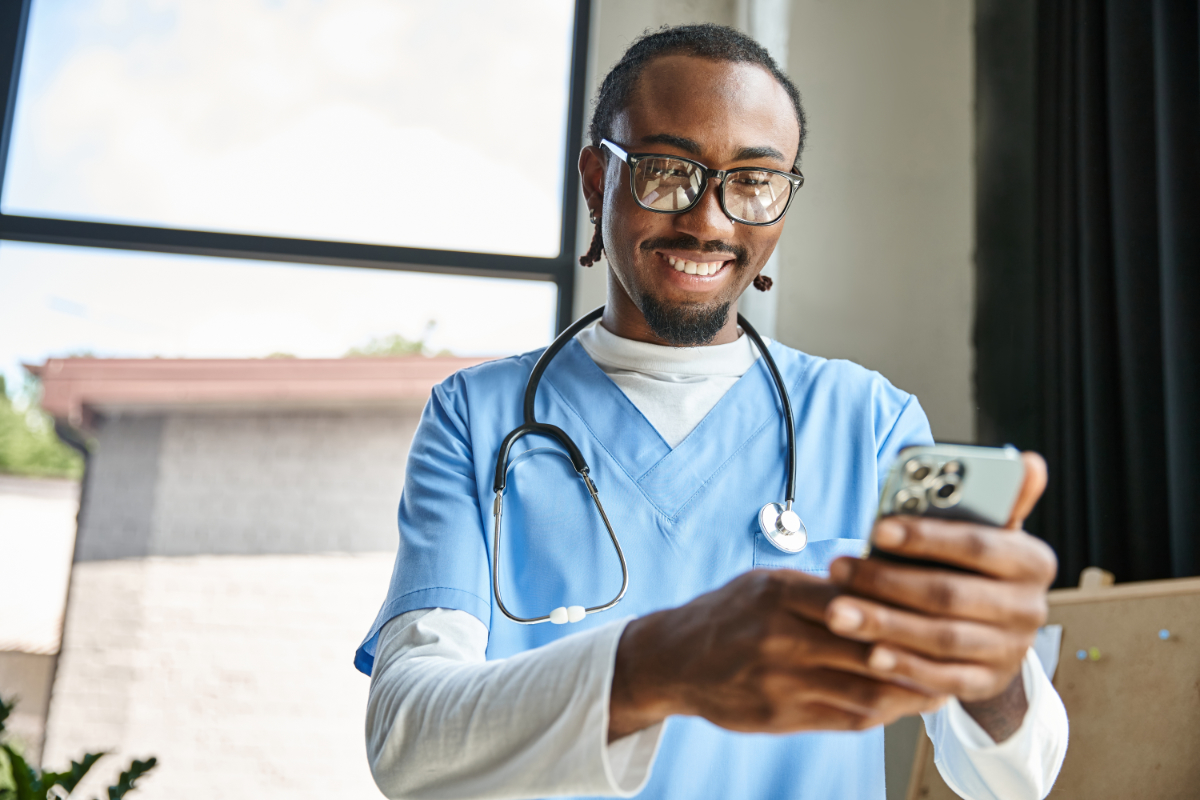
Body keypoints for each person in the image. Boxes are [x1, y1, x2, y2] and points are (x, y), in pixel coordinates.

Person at [355, 24, 1068, 800]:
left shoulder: (877, 420)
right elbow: (409, 739)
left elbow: (1016, 778)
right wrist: (661, 664)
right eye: (667, 171)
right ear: (598, 181)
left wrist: (992, 663)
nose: (709, 220)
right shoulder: (473, 418)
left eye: (754, 182)